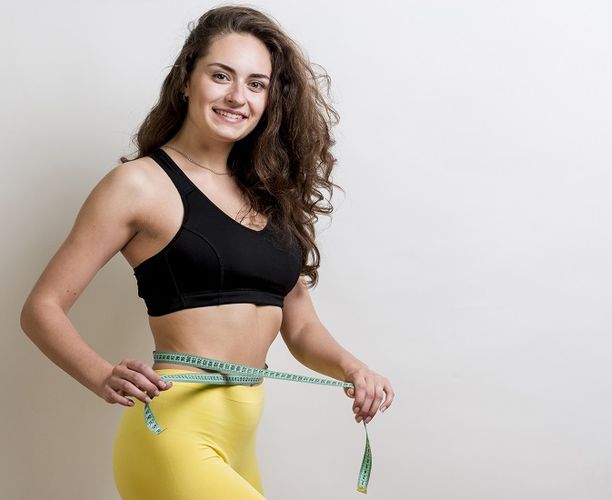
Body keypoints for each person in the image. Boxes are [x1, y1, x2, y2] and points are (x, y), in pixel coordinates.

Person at [19, 5, 394, 499]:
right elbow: (41, 307)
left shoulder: (269, 195)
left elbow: (300, 325)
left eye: (256, 84)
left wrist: (353, 368)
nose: (237, 96)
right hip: (173, 438)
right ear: (185, 79)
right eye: (221, 76)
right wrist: (100, 375)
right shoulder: (138, 186)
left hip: (240, 444)